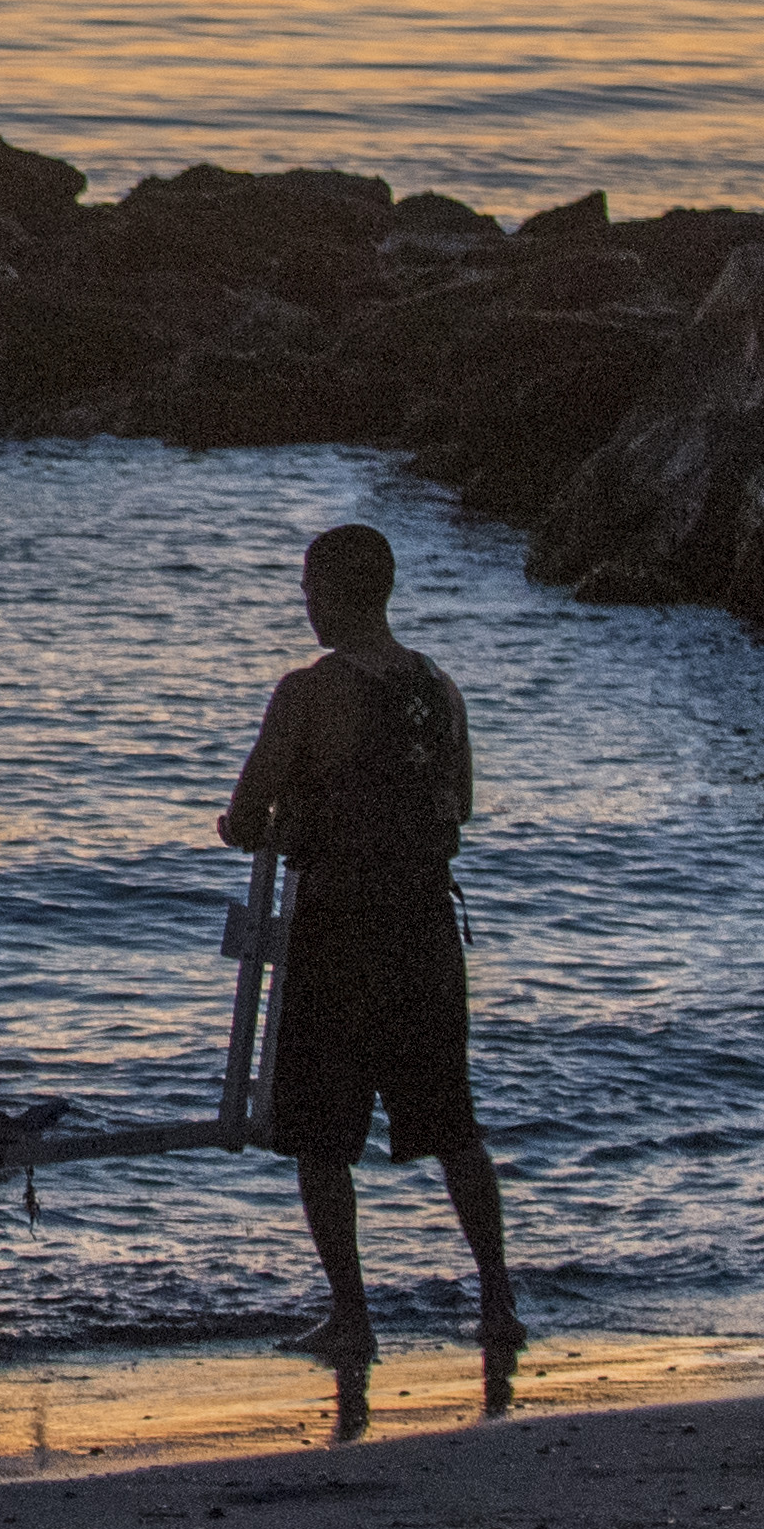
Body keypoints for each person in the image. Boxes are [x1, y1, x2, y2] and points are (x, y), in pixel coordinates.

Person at [221, 521, 520, 1367]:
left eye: (309, 586)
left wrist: (266, 825)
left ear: (333, 591)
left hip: (341, 930)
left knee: (322, 1137)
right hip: (425, 928)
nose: (303, 601)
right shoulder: (439, 686)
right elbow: (455, 805)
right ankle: (498, 1300)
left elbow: (247, 816)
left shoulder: (309, 692)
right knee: (454, 1125)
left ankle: (353, 1317)